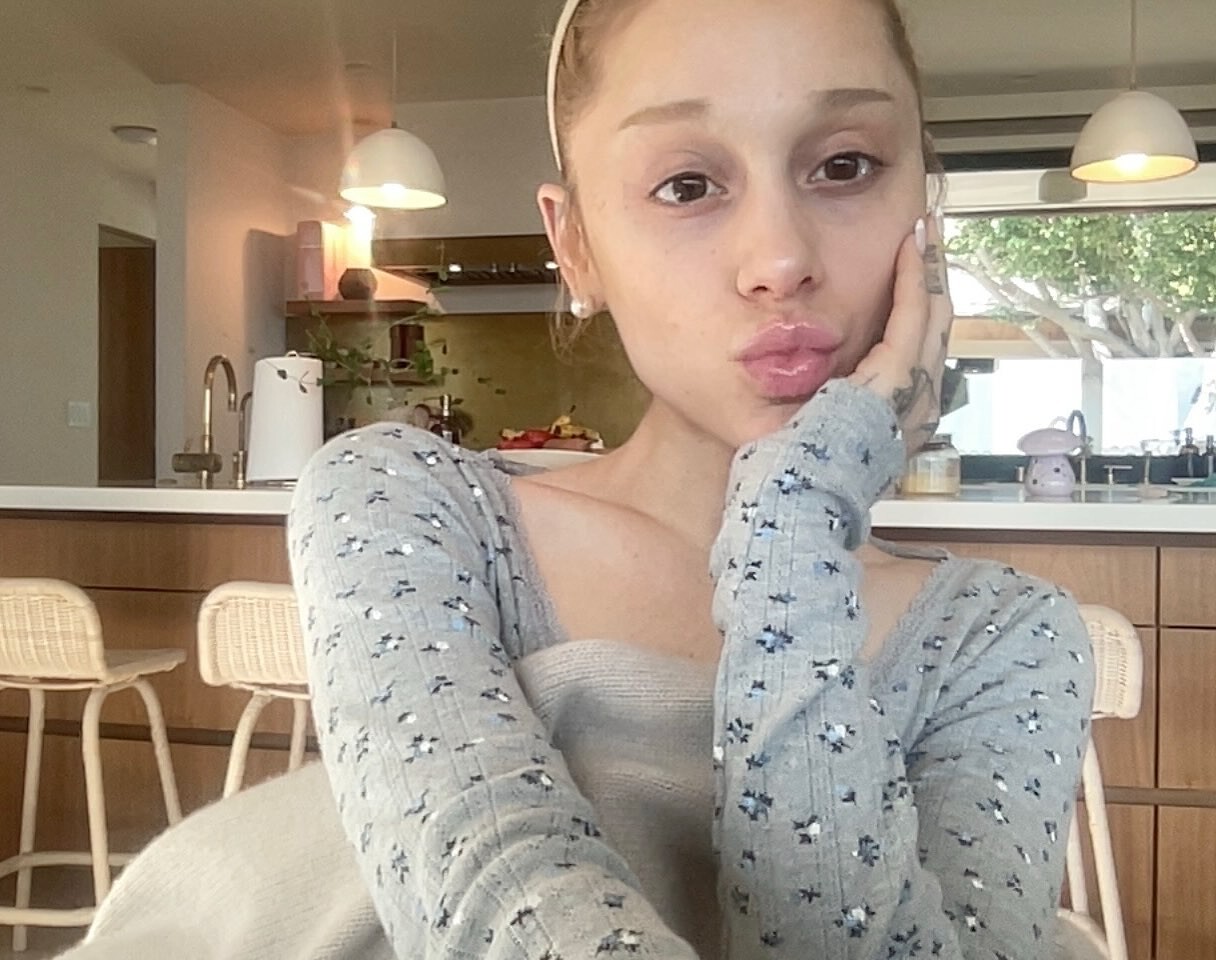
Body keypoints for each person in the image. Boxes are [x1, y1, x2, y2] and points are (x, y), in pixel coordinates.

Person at [54, 1, 1093, 958]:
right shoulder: (411, 509)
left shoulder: (1006, 641)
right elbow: (504, 909)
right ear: (576, 243)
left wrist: (795, 522)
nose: (780, 259)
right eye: (687, 185)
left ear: (926, 214)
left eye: (845, 165)